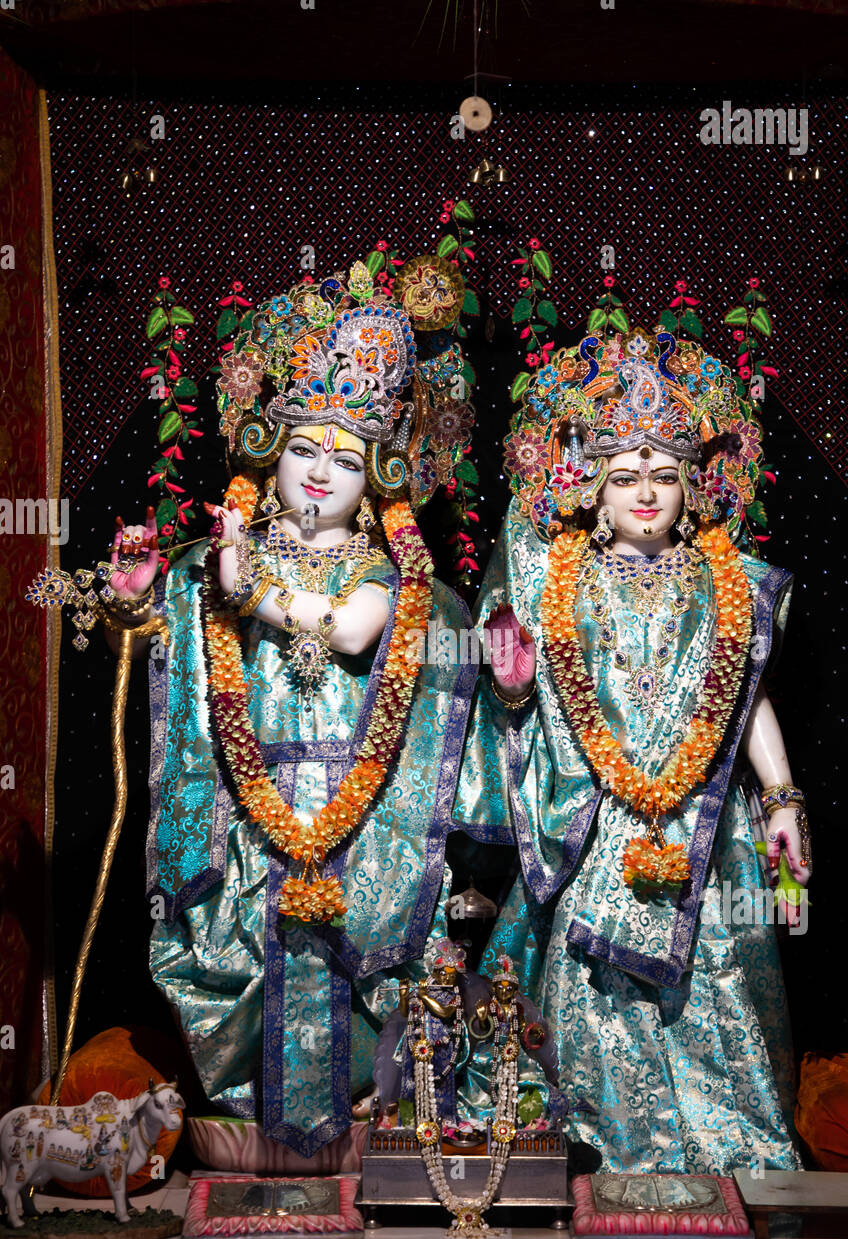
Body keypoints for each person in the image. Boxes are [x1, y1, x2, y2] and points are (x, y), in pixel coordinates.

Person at [104, 259, 476, 1157]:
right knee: (246, 955)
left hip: (364, 816)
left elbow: (352, 635)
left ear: (380, 474)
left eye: (347, 460)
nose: (320, 473)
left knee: (361, 968)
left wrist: (246, 591)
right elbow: (177, 638)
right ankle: (253, 1138)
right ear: (270, 454)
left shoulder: (390, 575)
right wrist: (136, 604)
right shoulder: (212, 561)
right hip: (248, 812)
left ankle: (365, 1131)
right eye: (303, 448)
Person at [452, 324, 810, 1174]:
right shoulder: (551, 576)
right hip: (594, 824)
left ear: (693, 484)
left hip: (704, 828)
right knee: (589, 992)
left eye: (662, 475)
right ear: (591, 487)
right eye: (622, 477)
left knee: (711, 987)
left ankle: (720, 1156)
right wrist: (508, 682)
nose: (644, 493)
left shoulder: (733, 584)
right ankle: (598, 1151)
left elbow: (744, 699)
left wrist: (784, 800)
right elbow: (518, 697)